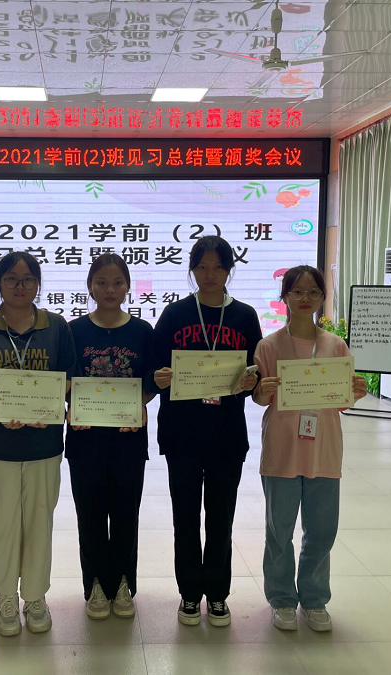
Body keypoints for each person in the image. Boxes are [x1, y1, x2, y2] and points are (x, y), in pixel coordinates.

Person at [0, 251, 77, 637]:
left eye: (28, 279)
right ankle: (7, 597)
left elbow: (68, 377)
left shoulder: (56, 326)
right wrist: (3, 403)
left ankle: (36, 596)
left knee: (39, 521)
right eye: (11, 279)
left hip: (44, 442)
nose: (20, 286)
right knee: (2, 523)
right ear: (0, 284)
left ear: (38, 284)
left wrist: (46, 403)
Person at [150, 236, 262, 627]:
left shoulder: (244, 316)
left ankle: (216, 594)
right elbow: (154, 367)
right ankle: (189, 594)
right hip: (181, 434)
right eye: (202, 267)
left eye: (217, 266)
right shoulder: (175, 314)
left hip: (226, 435)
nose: (209, 274)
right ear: (192, 269)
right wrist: (159, 377)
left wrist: (252, 381)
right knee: (184, 518)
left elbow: (256, 370)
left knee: (220, 519)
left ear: (229, 269)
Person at [252, 265, 367, 633]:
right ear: (285, 296)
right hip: (282, 450)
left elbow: (342, 401)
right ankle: (282, 599)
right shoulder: (269, 345)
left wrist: (355, 392)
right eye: (297, 291)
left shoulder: (335, 345)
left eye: (313, 292)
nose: (305, 298)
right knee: (279, 531)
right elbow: (258, 398)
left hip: (324, 450)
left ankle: (315, 599)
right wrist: (261, 391)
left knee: (322, 530)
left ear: (322, 298)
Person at [66, 254, 156, 620]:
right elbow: (66, 379)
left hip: (127, 438)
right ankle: (95, 586)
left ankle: (122, 584)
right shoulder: (73, 330)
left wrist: (140, 404)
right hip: (84, 438)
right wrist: (71, 406)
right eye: (101, 282)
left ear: (127, 286)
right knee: (89, 516)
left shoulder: (143, 331)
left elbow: (150, 381)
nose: (109, 289)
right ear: (90, 286)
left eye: (117, 282)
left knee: (125, 515)